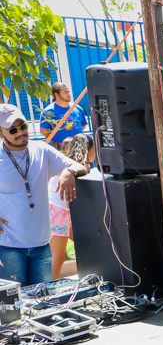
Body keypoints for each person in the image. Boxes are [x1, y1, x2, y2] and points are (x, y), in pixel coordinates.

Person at [0, 104, 86, 284]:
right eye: (13, 129)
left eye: (23, 126)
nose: (20, 132)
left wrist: (68, 172)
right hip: (9, 246)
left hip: (41, 243)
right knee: (15, 305)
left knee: (43, 302)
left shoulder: (41, 149)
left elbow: (78, 166)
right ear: (1, 132)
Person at [53, 134, 93, 279]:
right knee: (58, 256)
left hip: (64, 211)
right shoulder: (71, 168)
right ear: (88, 150)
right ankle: (52, 286)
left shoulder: (74, 166)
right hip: (57, 212)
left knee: (88, 245)